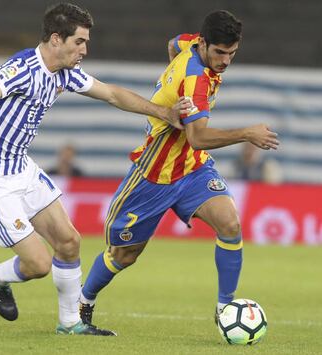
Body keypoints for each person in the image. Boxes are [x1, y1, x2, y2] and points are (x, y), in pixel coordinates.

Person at [0, 3, 190, 336]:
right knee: (38, 265)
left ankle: (71, 323)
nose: (84, 50)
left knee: (69, 242)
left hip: (22, 168)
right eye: (79, 42)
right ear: (56, 39)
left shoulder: (65, 72)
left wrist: (163, 112)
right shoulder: (21, 68)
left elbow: (112, 94)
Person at [79, 10, 279, 332]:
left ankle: (225, 307)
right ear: (204, 44)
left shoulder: (189, 46)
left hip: (192, 169)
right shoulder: (197, 80)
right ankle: (83, 303)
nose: (226, 61)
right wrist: (247, 133)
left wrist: (171, 80)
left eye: (232, 53)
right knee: (124, 255)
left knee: (229, 224)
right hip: (154, 175)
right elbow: (198, 137)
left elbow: (172, 44)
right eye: (220, 53)